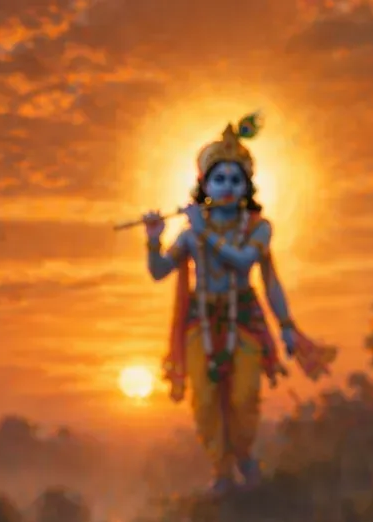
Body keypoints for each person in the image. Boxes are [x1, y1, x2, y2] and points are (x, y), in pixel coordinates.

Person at [141, 115, 336, 495]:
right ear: (204, 185)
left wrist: (287, 326)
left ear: (247, 186)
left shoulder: (258, 228)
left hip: (244, 319)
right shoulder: (191, 231)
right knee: (205, 399)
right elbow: (160, 271)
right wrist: (153, 239)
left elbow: (252, 266)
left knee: (245, 395)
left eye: (235, 179)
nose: (227, 187)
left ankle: (244, 455)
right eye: (219, 179)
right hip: (202, 320)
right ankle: (221, 470)